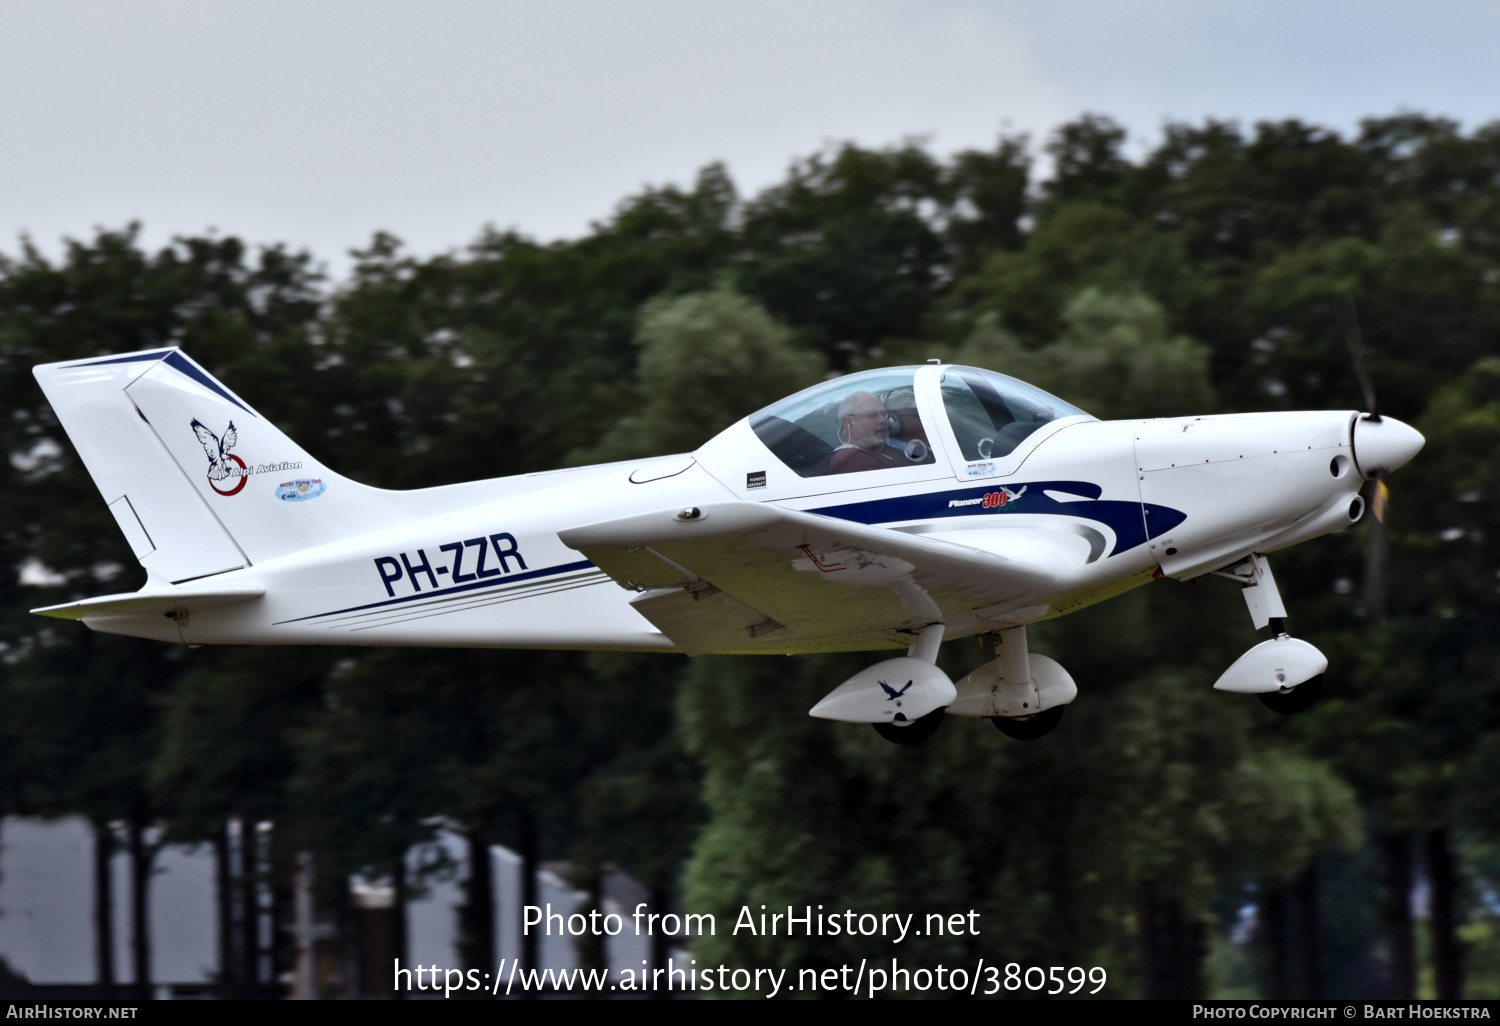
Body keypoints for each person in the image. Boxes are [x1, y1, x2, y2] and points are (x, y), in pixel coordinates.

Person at [828, 391, 904, 474]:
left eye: (884, 414)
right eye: (872, 415)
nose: (884, 421)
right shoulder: (852, 461)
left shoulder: (881, 452)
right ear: (850, 422)